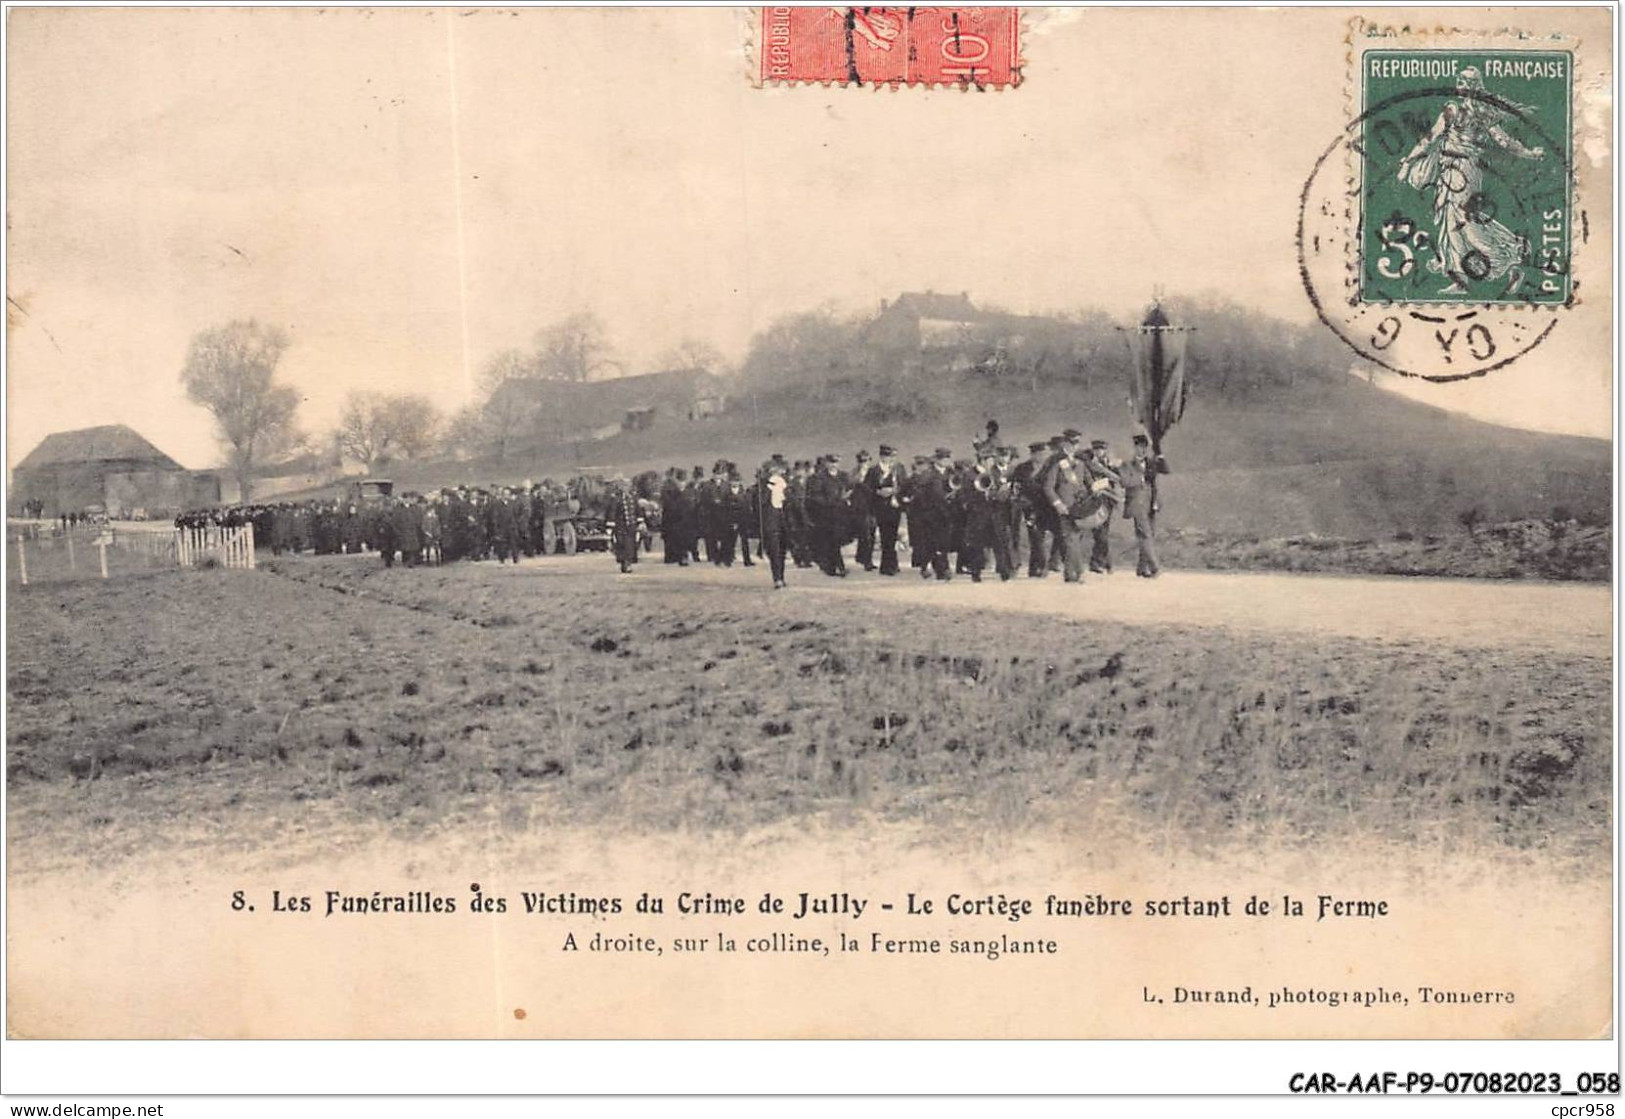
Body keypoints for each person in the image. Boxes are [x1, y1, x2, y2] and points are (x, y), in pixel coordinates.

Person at [1396, 67, 1545, 295]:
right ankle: (1454, 262)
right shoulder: (1483, 112)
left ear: (1473, 86)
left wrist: (1408, 162)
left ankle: (1498, 264)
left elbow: (1430, 139)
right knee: (1459, 218)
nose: (1459, 83)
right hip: (1467, 170)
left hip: (1457, 171)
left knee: (1460, 222)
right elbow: (1504, 141)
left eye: (1464, 81)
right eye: (1460, 79)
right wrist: (1529, 153)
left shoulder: (1453, 109)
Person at [1041, 431, 1090, 583]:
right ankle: (1075, 572)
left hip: (1079, 508)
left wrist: (1104, 487)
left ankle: (1072, 573)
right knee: (1070, 540)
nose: (1074, 447)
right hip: (1065, 508)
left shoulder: (1081, 464)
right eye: (1071, 444)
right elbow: (1048, 487)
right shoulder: (1057, 463)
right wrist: (1058, 504)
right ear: (1065, 445)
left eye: (1076, 444)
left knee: (1075, 539)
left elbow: (1089, 484)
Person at [1121, 434, 1161, 577]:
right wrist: (1140, 479)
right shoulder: (1127, 465)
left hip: (1150, 503)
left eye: (1145, 448)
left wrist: (1156, 501)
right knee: (1145, 534)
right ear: (1135, 448)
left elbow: (1157, 481)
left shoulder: (1151, 463)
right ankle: (1154, 567)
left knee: (1149, 534)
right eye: (1139, 447)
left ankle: (1142, 567)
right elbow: (1124, 482)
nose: (1142, 450)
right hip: (1136, 503)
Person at [864, 444, 905, 576]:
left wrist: (894, 491)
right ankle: (887, 566)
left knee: (892, 535)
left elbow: (905, 485)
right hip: (880, 506)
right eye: (887, 456)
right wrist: (878, 492)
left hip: (894, 506)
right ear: (881, 456)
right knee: (885, 535)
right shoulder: (874, 470)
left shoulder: (898, 468)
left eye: (892, 456)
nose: (890, 459)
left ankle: (891, 563)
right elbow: (866, 488)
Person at [759, 460, 793, 589]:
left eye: (779, 470)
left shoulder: (786, 485)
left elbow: (791, 502)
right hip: (771, 520)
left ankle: (781, 577)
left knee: (782, 550)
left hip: (784, 520)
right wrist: (767, 487)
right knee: (774, 550)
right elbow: (760, 503)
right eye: (774, 470)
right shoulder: (763, 487)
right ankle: (777, 578)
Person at [604, 479, 641, 574]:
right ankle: (625, 564)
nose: (627, 488)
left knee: (632, 546)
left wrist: (640, 523)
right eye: (625, 486)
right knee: (623, 546)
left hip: (632, 527)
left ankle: (629, 563)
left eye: (628, 486)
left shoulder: (633, 498)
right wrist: (610, 528)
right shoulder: (617, 499)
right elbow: (612, 513)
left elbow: (638, 511)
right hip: (621, 527)